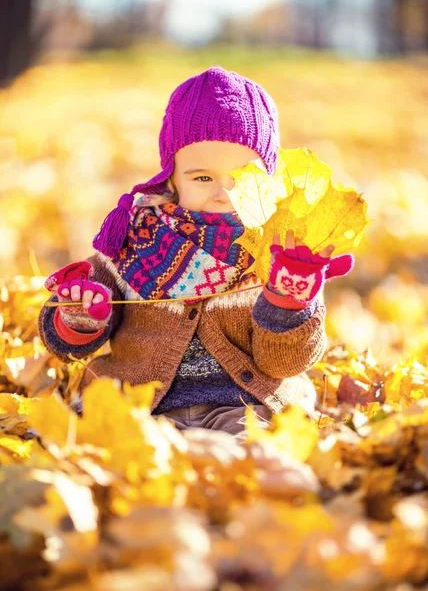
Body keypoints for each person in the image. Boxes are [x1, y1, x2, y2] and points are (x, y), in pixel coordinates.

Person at [38, 66, 354, 436]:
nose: (224, 192)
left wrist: (289, 302)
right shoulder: (134, 241)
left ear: (269, 181)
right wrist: (81, 315)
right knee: (115, 452)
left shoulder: (279, 255)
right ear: (171, 177)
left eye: (243, 177)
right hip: (139, 405)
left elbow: (285, 361)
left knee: (252, 452)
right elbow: (64, 345)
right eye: (203, 177)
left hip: (246, 404)